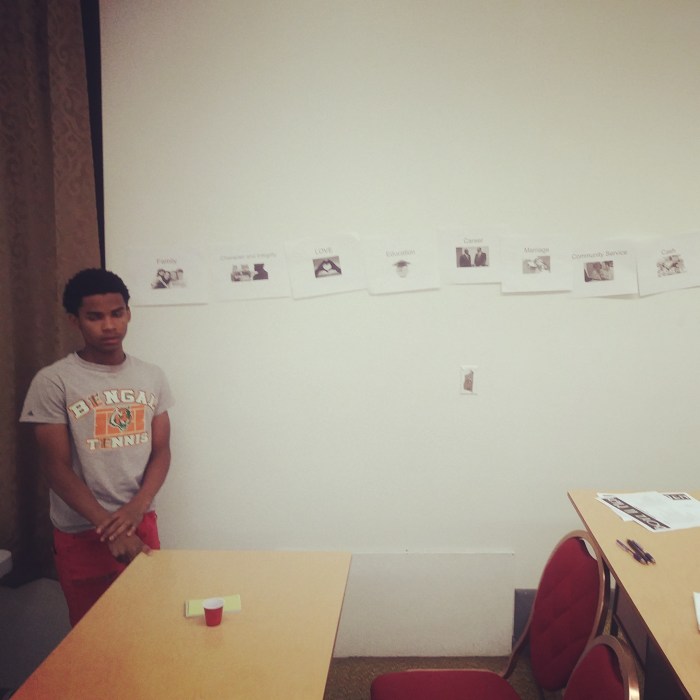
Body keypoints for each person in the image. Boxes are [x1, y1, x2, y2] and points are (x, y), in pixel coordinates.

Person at [20, 268, 174, 626]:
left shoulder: (151, 375)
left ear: (128, 313)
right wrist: (109, 526)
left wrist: (136, 509)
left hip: (140, 518)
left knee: (149, 623)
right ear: (74, 320)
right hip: (83, 529)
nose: (109, 326)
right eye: (95, 317)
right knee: (94, 635)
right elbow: (55, 467)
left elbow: (162, 450)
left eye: (117, 313)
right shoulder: (53, 381)